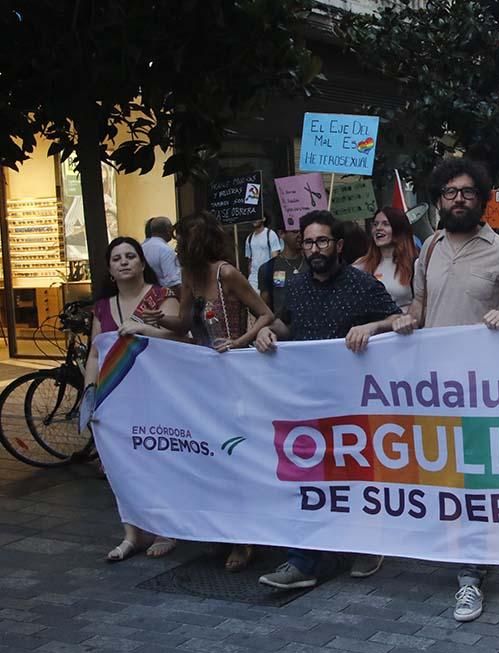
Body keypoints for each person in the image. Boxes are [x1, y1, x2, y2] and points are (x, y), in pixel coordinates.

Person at [392, 157, 499, 622]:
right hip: (435, 387)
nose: (458, 199)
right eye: (449, 192)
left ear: (481, 199)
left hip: (483, 388)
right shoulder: (430, 248)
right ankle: (469, 557)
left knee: (476, 481)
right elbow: (421, 302)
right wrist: (408, 317)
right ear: (439, 199)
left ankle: (469, 576)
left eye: (467, 192)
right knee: (448, 478)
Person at [255, 210, 402, 589]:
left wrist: (373, 326)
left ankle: (368, 544)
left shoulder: (362, 284)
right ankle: (302, 563)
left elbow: (401, 321)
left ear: (338, 245)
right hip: (308, 400)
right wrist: (269, 334)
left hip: (356, 402)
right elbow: (287, 324)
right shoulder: (298, 286)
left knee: (357, 476)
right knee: (311, 478)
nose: (315, 248)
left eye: (322, 241)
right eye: (308, 242)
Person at [146, 211, 274, 573]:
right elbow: (185, 322)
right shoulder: (189, 276)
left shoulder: (226, 273)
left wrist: (240, 342)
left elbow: (264, 313)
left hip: (233, 375)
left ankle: (244, 538)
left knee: (235, 456)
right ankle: (221, 528)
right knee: (210, 457)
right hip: (202, 377)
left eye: (181, 240)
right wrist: (159, 321)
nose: (176, 246)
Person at [85, 237, 182, 562]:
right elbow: (96, 353)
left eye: (130, 256)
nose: (124, 262)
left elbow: (178, 335)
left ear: (142, 263)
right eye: (117, 258)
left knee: (158, 460)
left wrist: (144, 328)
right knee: (122, 464)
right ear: (110, 269)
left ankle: (164, 528)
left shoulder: (161, 296)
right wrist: (90, 394)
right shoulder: (103, 306)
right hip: (118, 395)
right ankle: (131, 532)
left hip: (158, 394)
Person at [354, 207, 418, 312]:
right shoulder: (360, 266)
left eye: (385, 224)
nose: (378, 228)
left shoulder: (415, 264)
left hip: (404, 326)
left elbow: (423, 304)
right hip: (370, 326)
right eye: (375, 224)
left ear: (399, 229)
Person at [258, 226, 304, 317]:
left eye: (302, 231)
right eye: (295, 231)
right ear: (281, 233)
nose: (300, 235)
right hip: (281, 327)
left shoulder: (314, 265)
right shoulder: (268, 268)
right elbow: (264, 308)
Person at [141, 216, 181, 288]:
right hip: (164, 294)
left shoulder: (142, 247)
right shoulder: (165, 250)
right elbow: (173, 282)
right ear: (168, 230)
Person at [244, 217, 282, 293]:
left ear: (264, 218)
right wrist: (249, 277)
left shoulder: (270, 234)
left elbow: (276, 259)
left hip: (268, 277)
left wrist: (278, 282)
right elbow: (250, 261)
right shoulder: (249, 238)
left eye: (257, 217)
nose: (254, 219)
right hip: (253, 279)